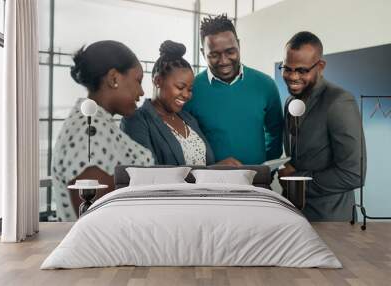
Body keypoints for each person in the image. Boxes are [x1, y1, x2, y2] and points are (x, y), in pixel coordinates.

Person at [52, 40, 154, 221]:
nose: (141, 92)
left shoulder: (98, 124)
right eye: (138, 81)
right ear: (114, 78)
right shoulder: (88, 132)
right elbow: (97, 223)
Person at [278, 31, 367, 221]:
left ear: (320, 66)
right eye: (287, 68)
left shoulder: (340, 102)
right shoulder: (289, 102)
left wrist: (296, 180)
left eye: (302, 70)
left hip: (332, 221)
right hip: (296, 217)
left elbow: (354, 174)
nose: (293, 77)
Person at [184, 14, 283, 165]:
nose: (224, 61)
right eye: (214, 55)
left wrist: (264, 170)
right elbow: (184, 145)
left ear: (239, 45)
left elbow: (275, 134)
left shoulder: (266, 85)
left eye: (230, 52)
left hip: (258, 182)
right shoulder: (190, 90)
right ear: (203, 53)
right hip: (208, 184)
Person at [122, 40, 240, 166]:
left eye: (190, 89)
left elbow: (205, 164)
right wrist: (214, 170)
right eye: (180, 87)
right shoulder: (136, 121)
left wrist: (222, 167)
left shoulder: (188, 119)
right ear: (158, 81)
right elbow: (147, 176)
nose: (186, 95)